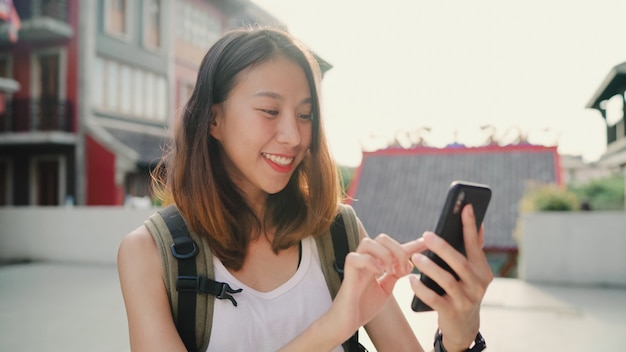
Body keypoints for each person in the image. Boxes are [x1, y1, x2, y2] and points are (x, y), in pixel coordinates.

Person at [117, 27, 493, 352]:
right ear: (213, 119)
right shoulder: (151, 252)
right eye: (269, 111)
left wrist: (459, 336)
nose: (294, 136)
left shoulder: (340, 232)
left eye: (305, 115)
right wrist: (330, 329)